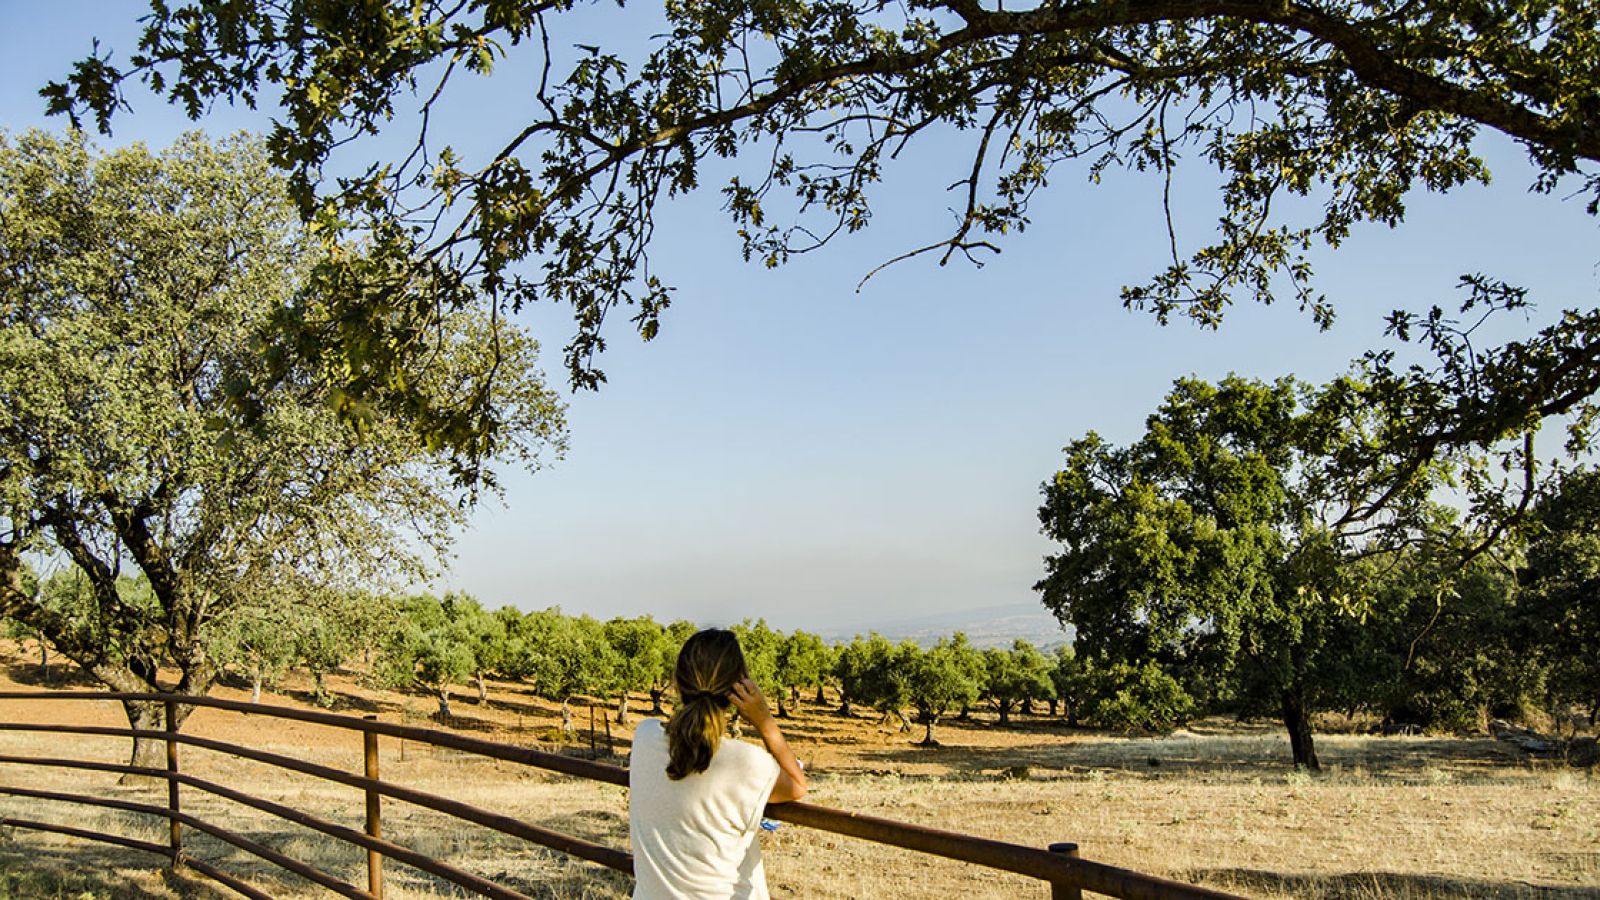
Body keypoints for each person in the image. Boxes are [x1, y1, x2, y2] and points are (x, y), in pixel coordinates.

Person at [628, 629, 808, 899]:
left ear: (677, 683)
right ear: (740, 688)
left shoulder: (644, 737)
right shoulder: (748, 763)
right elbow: (796, 785)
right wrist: (765, 722)